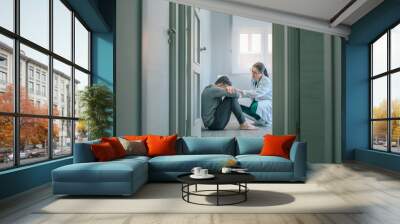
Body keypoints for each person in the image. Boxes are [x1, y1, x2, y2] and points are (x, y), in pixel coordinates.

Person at [236, 62, 272, 127]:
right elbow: (252, 92)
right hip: (257, 99)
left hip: (267, 101)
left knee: (254, 107)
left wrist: (242, 92)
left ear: (261, 73)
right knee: (237, 104)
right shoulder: (254, 79)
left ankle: (263, 121)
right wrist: (239, 94)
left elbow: (258, 93)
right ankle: (258, 120)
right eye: (252, 71)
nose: (252, 74)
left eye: (255, 73)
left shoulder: (266, 81)